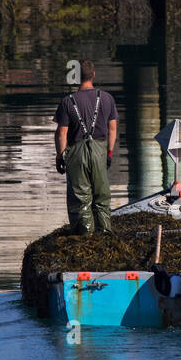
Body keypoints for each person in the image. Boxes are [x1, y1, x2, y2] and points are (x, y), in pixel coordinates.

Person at [54, 60, 118, 235]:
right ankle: (104, 233)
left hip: (76, 154)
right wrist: (109, 153)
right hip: (100, 150)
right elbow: (113, 129)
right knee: (102, 197)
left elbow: (61, 133)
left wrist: (60, 156)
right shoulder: (107, 98)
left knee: (81, 199)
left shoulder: (68, 101)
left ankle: (85, 237)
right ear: (93, 75)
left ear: (76, 78)